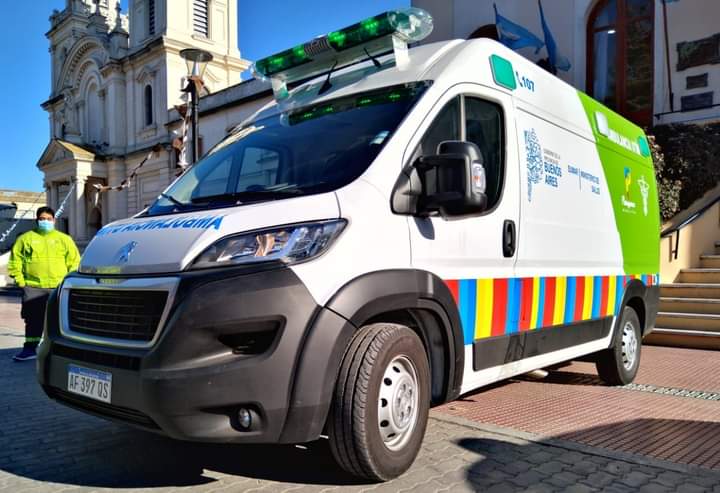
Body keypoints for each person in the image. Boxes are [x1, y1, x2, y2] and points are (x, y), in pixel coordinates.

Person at [7, 206, 80, 361]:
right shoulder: (25, 239)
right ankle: (30, 349)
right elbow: (15, 261)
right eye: (42, 219)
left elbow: (74, 262)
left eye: (48, 219)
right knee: (33, 319)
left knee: (60, 319)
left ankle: (60, 349)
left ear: (54, 220)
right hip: (33, 287)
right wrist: (21, 281)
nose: (45, 221)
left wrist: (68, 281)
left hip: (58, 287)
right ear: (37, 220)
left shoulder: (64, 239)